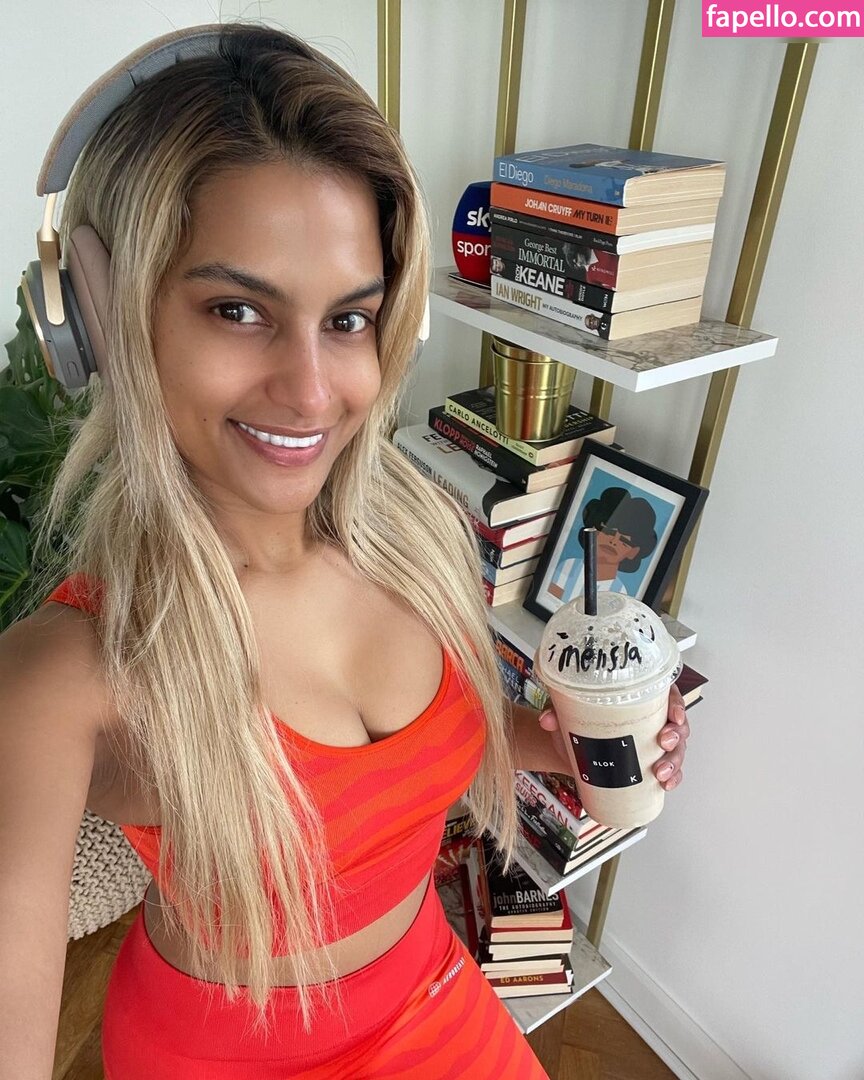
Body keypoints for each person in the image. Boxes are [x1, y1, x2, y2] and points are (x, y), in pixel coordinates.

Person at [0, 23, 690, 1079]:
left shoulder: (414, 542)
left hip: (432, 990)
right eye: (238, 310)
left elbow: (412, 763)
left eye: (349, 320)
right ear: (99, 320)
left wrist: (559, 744)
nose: (313, 391)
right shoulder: (69, 670)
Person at [549, 487, 659, 603]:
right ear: (593, 530)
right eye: (608, 532)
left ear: (633, 552)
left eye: (624, 541)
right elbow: (551, 601)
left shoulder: (620, 593)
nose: (613, 541)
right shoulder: (569, 566)